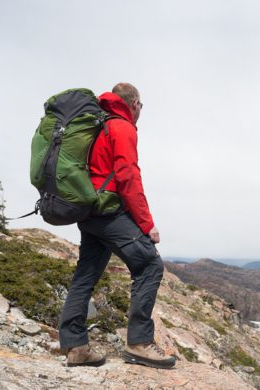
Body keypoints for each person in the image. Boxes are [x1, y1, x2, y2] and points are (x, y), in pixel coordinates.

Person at [58, 83, 175, 369]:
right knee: (149, 265)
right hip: (108, 211)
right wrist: (147, 225)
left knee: (85, 275)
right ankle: (139, 344)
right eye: (141, 106)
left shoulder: (96, 125)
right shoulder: (122, 127)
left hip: (88, 211)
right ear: (134, 104)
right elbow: (127, 176)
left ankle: (75, 347)